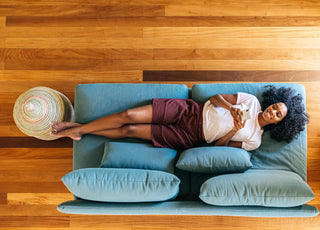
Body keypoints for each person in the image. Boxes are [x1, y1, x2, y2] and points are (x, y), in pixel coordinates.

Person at [49, 86, 308, 151]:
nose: (272, 111)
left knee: (130, 130)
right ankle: (78, 128)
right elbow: (215, 97)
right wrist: (231, 110)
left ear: (278, 123)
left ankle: (80, 131)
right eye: (274, 106)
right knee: (128, 115)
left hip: (191, 136)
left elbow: (217, 148)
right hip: (190, 111)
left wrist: (234, 130)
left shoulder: (254, 141)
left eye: (277, 114)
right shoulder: (250, 101)